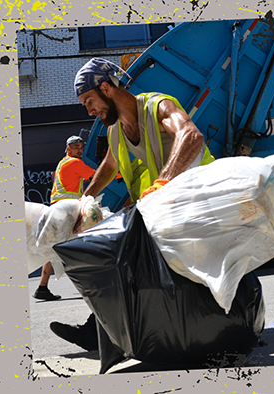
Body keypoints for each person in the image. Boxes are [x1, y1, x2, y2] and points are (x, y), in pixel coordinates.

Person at [48, 57, 216, 351]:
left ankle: (102, 334)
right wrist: (84, 200)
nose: (89, 110)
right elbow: (108, 168)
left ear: (106, 88)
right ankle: (102, 332)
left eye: (89, 100)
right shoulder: (116, 131)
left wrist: (162, 183)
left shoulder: (157, 106)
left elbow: (191, 135)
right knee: (117, 260)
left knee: (127, 260)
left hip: (196, 203)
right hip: (160, 211)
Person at [31, 135, 96, 301]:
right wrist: (120, 174)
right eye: (75, 147)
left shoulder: (63, 162)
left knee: (54, 249)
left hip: (56, 210)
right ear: (68, 148)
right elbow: (95, 176)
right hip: (65, 211)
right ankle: (89, 287)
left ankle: (42, 288)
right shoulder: (74, 162)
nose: (79, 150)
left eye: (81, 147)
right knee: (78, 246)